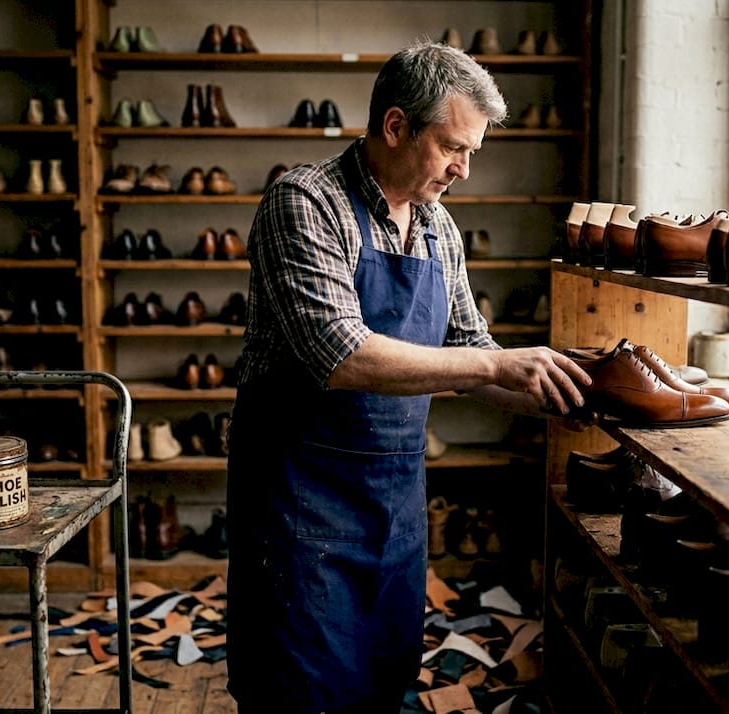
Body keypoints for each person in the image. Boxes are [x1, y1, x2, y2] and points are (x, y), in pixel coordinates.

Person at [225, 40, 590, 714]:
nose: (464, 170)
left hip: (391, 512)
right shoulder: (304, 202)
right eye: (455, 147)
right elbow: (341, 354)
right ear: (396, 126)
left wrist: (572, 394)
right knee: (297, 695)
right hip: (300, 510)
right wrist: (497, 362)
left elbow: (470, 352)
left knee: (380, 686)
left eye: (473, 152)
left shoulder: (436, 229)